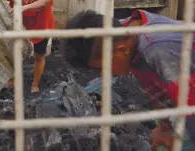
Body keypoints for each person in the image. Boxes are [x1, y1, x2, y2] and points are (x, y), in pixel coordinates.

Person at [61, 9, 195, 150]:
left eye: (103, 68)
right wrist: (164, 128)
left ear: (121, 50)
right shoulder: (123, 32)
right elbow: (154, 88)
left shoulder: (157, 51)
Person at [0, 0, 57, 93]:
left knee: (39, 55)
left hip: (42, 25)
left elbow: (43, 2)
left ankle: (35, 84)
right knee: (15, 52)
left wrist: (23, 8)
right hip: (23, 24)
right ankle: (15, 78)